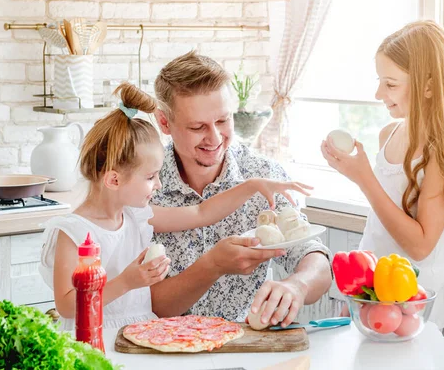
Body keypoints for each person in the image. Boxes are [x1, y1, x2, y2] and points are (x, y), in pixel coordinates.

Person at [39, 83, 312, 330]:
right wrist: (127, 282)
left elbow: (201, 213)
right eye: (150, 177)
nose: (158, 185)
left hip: (141, 332)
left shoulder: (137, 216)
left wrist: (252, 185)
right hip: (94, 336)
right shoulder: (73, 232)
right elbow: (66, 306)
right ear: (113, 179)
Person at [148, 50, 333, 329]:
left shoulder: (264, 176)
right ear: (164, 122)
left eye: (223, 121)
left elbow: (316, 261)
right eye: (198, 127)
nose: (214, 138)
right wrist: (212, 266)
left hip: (249, 347)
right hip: (164, 348)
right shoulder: (142, 187)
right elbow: (151, 305)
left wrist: (297, 286)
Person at [322, 20, 444, 329]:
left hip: (412, 307)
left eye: (391, 84)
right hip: (369, 296)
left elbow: (420, 246)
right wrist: (356, 295)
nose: (379, 92)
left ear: (429, 85)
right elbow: (380, 229)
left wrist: (364, 179)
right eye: (380, 81)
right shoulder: (389, 134)